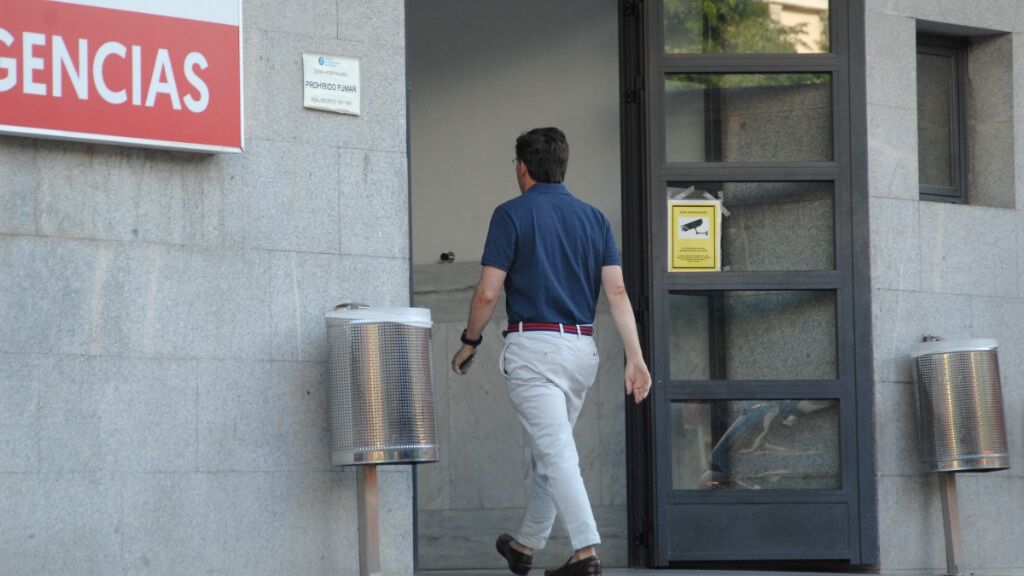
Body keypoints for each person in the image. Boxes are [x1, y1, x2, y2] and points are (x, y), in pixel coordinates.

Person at [450, 127, 651, 576]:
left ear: (522, 167)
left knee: (557, 454)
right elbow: (617, 292)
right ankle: (524, 546)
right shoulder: (595, 218)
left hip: (533, 350)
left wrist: (470, 342)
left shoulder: (511, 214)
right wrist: (636, 357)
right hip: (581, 351)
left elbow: (486, 294)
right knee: (551, 451)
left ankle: (586, 552)